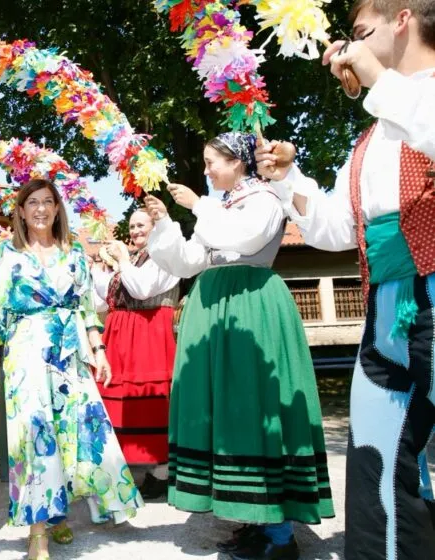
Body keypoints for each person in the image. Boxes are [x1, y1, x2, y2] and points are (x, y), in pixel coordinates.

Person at [255, 1, 435, 557]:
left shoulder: (417, 100)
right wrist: (289, 182)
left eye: (359, 32)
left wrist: (378, 79)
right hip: (387, 309)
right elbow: (339, 229)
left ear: (401, 18)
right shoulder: (373, 135)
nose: (347, 47)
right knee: (376, 458)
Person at [145, 132, 334, 560]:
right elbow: (189, 261)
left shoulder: (266, 198)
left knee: (252, 407)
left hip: (248, 305)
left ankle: (281, 536)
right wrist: (164, 224)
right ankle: (252, 518)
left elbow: (247, 240)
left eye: (213, 161)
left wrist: (199, 205)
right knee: (224, 412)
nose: (207, 169)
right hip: (214, 307)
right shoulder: (222, 206)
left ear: (239, 162)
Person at [0, 179, 143, 560]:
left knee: (73, 433)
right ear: (20, 210)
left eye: (47, 202)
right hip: (25, 352)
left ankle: (58, 513)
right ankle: (38, 533)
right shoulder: (8, 253)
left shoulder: (74, 253)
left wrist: (99, 351)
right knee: (35, 435)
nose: (40, 209)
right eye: (32, 202)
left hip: (69, 353)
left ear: (56, 208)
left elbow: (86, 310)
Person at [92, 210, 180, 500]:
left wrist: (123, 260)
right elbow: (102, 303)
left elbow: (142, 290)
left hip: (149, 331)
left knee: (151, 399)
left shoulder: (165, 256)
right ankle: (128, 465)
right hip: (121, 334)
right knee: (119, 399)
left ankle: (162, 471)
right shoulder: (129, 260)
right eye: (131, 226)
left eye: (141, 225)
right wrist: (98, 269)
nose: (135, 230)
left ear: (155, 228)